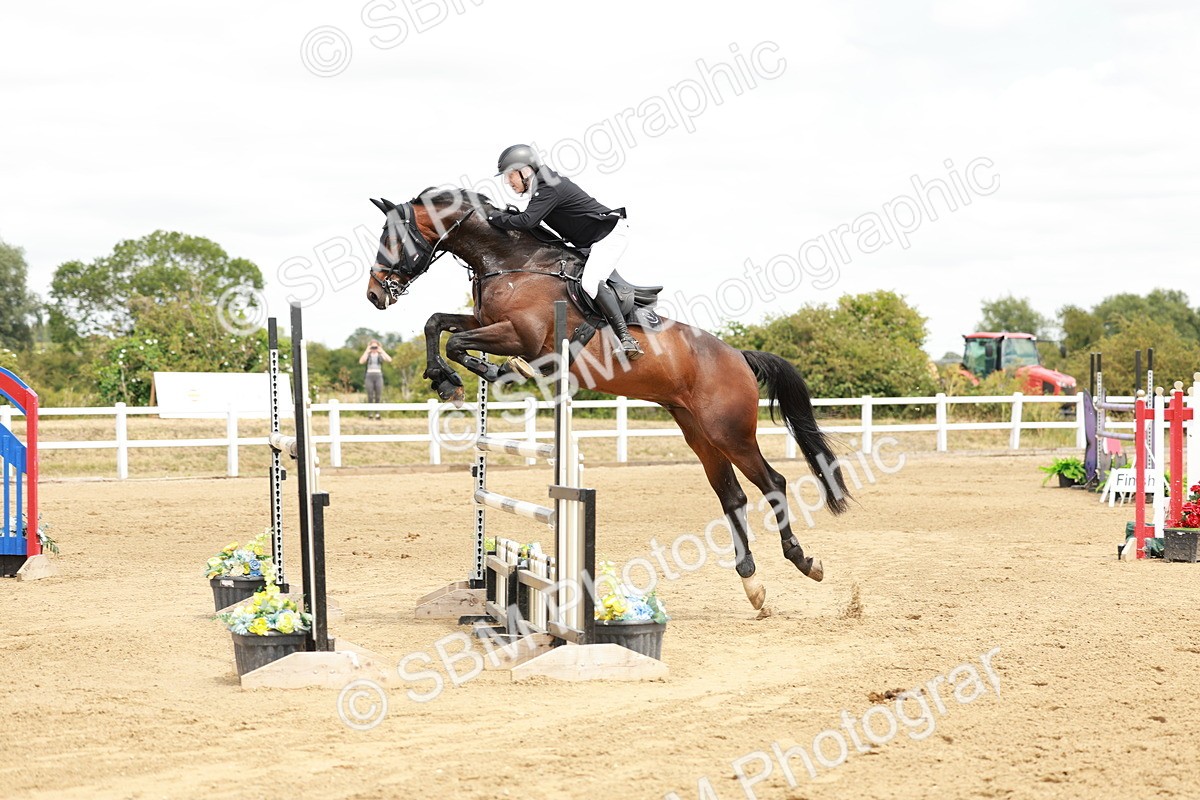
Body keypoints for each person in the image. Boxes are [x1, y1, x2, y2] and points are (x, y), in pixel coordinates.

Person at [487, 143, 643, 360]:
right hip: (588, 241)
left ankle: (626, 338)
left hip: (609, 236)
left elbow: (527, 220)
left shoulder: (548, 186)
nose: (507, 182)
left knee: (590, 283)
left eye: (509, 175)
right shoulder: (541, 185)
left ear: (524, 170)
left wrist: (493, 218)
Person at [358, 340, 392, 419]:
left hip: (378, 375)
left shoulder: (380, 355)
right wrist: (367, 350)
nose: (374, 348)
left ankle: (377, 413)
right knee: (370, 395)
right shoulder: (368, 354)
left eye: (375, 347)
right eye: (372, 347)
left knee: (378, 395)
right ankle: (370, 413)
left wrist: (381, 350)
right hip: (369, 375)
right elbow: (361, 361)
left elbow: (389, 359)